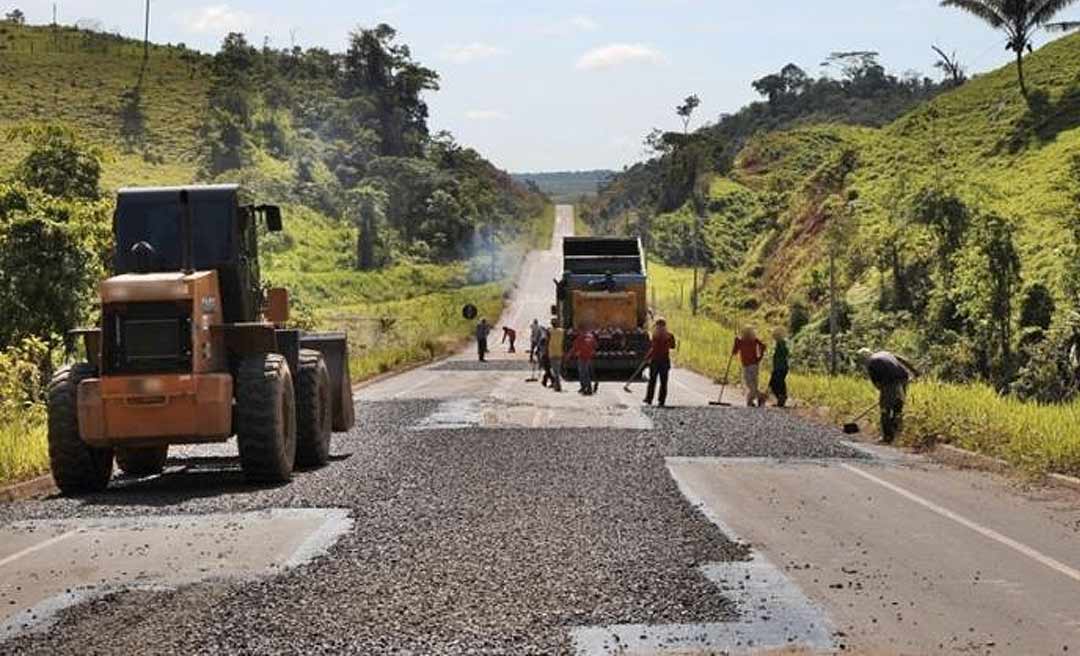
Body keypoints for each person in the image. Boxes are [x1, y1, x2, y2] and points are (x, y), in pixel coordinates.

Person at [859, 348, 920, 444]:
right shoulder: (885, 353)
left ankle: (887, 438)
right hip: (903, 377)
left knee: (885, 410)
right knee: (898, 405)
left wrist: (885, 395)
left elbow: (877, 384)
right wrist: (915, 371)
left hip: (890, 382)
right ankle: (897, 432)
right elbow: (902, 360)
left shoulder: (871, 363)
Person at [643, 317, 676, 407]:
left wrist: (647, 357)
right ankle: (661, 401)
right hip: (664, 361)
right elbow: (673, 346)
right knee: (663, 382)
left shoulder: (655, 336)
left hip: (655, 361)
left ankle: (649, 399)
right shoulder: (669, 335)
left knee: (652, 381)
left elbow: (654, 349)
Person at [732, 327, 767, 407]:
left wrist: (759, 357)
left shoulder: (754, 341)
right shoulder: (741, 341)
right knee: (751, 385)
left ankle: (752, 400)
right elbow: (734, 352)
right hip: (748, 365)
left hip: (753, 365)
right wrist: (735, 343)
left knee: (752, 385)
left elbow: (763, 347)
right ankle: (759, 397)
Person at [569, 329, 597, 395]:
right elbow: (595, 345)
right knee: (586, 373)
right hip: (588, 357)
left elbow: (574, 348)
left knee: (582, 373)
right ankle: (588, 387)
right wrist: (592, 352)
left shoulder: (580, 338)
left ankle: (585, 387)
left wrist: (569, 356)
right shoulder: (591, 337)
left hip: (582, 357)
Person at [769, 328, 790, 408]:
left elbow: (785, 353)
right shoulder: (779, 344)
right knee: (776, 383)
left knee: (776, 383)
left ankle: (781, 398)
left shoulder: (781, 343)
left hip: (780, 367)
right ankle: (780, 398)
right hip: (779, 367)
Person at [546, 319, 564, 392]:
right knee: (557, 370)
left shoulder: (550, 331)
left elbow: (547, 340)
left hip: (552, 353)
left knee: (554, 371)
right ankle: (556, 385)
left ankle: (558, 386)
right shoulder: (561, 331)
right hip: (559, 352)